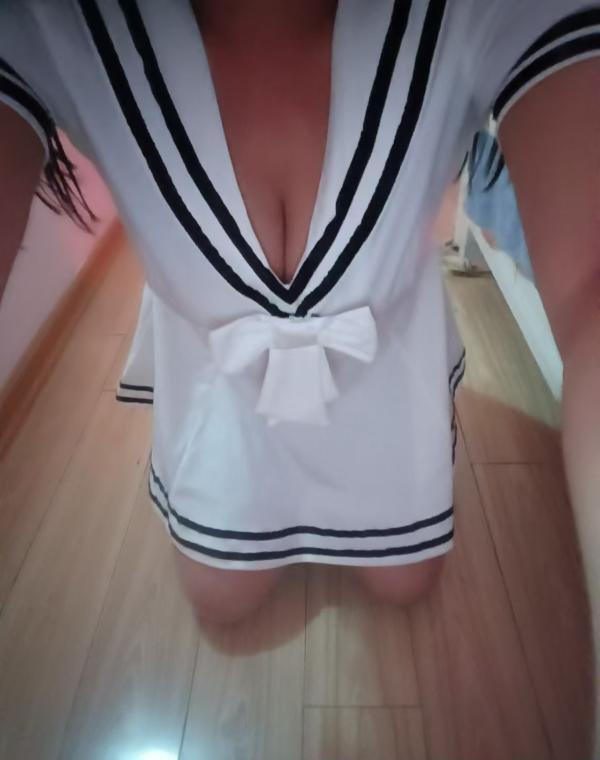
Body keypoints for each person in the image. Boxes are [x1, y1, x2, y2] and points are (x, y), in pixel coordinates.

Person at [1, 0, 599, 699]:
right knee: (222, 598)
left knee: (405, 579)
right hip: (230, 387)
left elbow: (589, 286)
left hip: (381, 372)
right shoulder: (44, 22)